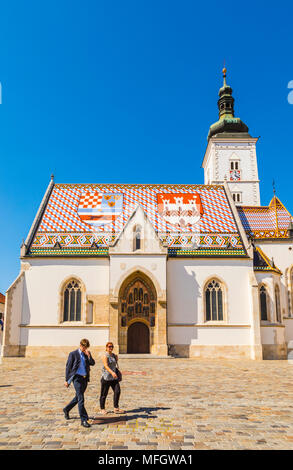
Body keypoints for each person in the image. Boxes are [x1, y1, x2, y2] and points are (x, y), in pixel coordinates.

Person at [63, 338, 95, 428]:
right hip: (76, 379)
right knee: (81, 398)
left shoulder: (87, 354)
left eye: (86, 348)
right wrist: (67, 380)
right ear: (80, 345)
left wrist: (89, 356)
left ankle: (66, 409)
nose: (85, 349)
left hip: (85, 378)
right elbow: (68, 367)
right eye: (84, 347)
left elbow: (92, 363)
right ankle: (83, 420)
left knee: (78, 397)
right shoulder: (73, 354)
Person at [99, 342, 124, 414]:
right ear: (106, 347)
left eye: (112, 346)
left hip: (114, 378)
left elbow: (114, 365)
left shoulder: (113, 355)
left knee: (117, 391)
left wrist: (116, 359)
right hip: (106, 377)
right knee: (104, 394)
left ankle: (116, 408)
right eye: (109, 346)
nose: (111, 348)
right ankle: (102, 408)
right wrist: (112, 372)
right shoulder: (105, 356)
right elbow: (106, 366)